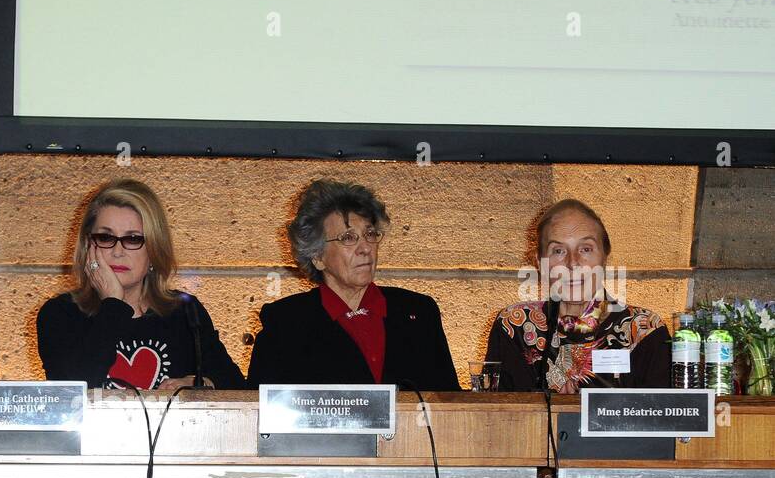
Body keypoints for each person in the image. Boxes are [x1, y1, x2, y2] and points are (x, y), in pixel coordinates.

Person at [247, 179, 459, 391]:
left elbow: (452, 404)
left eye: (370, 234)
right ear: (317, 257)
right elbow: (261, 411)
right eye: (348, 238)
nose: (365, 248)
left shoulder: (418, 312)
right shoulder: (286, 323)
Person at [36, 179, 243, 390]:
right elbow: (71, 394)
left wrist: (199, 385)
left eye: (133, 239)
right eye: (106, 237)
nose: (118, 252)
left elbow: (238, 388)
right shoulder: (61, 313)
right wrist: (113, 303)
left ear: (154, 250)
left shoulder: (184, 312)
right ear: (88, 245)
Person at [484, 199, 669, 392]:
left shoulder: (644, 330)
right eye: (558, 251)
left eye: (586, 249)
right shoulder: (516, 328)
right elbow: (498, 414)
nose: (572, 263)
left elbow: (664, 418)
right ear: (540, 262)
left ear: (605, 256)